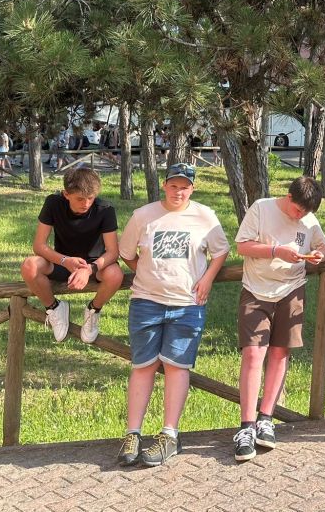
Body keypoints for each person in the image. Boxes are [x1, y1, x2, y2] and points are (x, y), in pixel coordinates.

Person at [116, 163, 230, 468]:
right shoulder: (143, 215)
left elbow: (220, 251)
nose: (178, 192)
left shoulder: (205, 216)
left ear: (192, 189)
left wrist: (207, 279)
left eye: (185, 187)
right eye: (174, 186)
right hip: (146, 301)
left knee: (177, 366)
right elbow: (126, 253)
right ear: (164, 185)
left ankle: (169, 434)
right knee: (143, 365)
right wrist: (145, 272)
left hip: (187, 304)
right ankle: (132, 434)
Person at [232, 177, 325, 462]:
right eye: (298, 210)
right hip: (256, 290)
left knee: (280, 353)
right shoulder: (261, 208)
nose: (300, 216)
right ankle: (246, 426)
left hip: (292, 290)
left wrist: (319, 256)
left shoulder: (309, 219)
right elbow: (242, 246)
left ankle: (266, 418)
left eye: (306, 212)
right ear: (288, 197)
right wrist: (276, 251)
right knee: (253, 354)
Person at [20, 166, 124, 343]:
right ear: (66, 194)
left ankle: (93, 310)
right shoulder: (53, 203)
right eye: (80, 199)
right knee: (29, 266)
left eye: (90, 198)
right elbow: (39, 245)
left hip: (95, 265)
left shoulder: (105, 209)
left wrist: (89, 269)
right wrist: (65, 260)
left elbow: (113, 252)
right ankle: (54, 307)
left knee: (115, 274)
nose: (86, 204)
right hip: (62, 261)